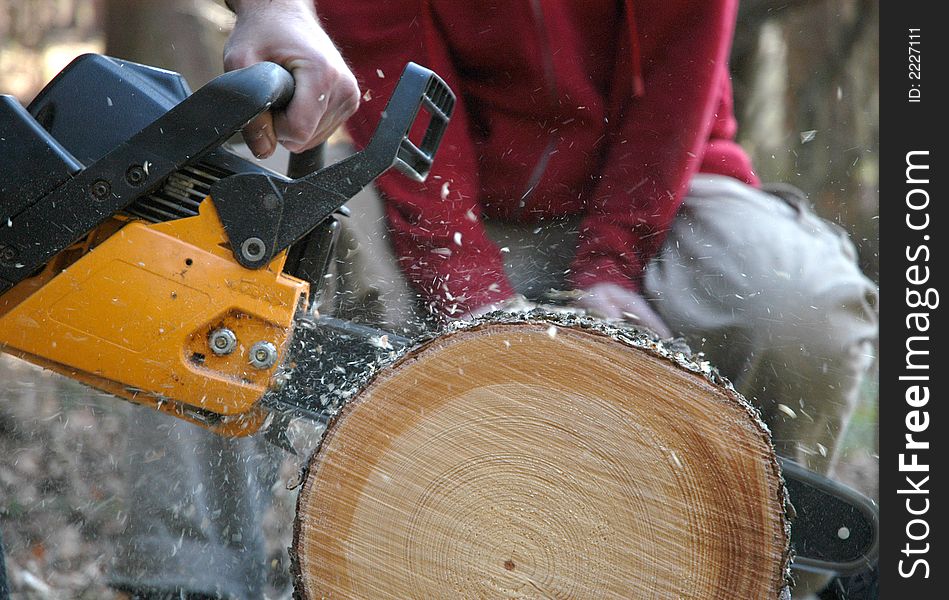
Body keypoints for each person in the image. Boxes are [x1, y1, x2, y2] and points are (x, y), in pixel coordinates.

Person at [113, 0, 878, 598]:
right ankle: (190, 575)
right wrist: (471, 293)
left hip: (655, 191)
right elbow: (392, 72)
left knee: (800, 310)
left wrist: (610, 263)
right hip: (427, 186)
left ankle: (757, 579)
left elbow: (678, 82)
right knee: (227, 246)